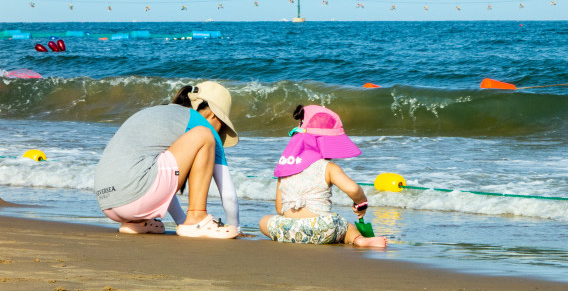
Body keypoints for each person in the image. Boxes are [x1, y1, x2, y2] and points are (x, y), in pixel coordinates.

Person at [94, 81, 240, 239]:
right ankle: (196, 218)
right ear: (213, 114)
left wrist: (180, 221)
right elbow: (228, 193)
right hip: (135, 196)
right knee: (205, 135)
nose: (219, 132)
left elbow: (160, 171)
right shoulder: (201, 123)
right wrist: (236, 228)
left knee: (155, 163)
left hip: (107, 202)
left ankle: (137, 222)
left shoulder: (159, 114)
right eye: (222, 126)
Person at [259, 105, 388, 247]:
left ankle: (295, 235)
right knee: (347, 226)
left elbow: (280, 209)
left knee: (264, 221)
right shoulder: (328, 168)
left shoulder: (285, 166)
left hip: (288, 230)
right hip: (322, 230)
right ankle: (360, 240)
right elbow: (353, 190)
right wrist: (361, 203)